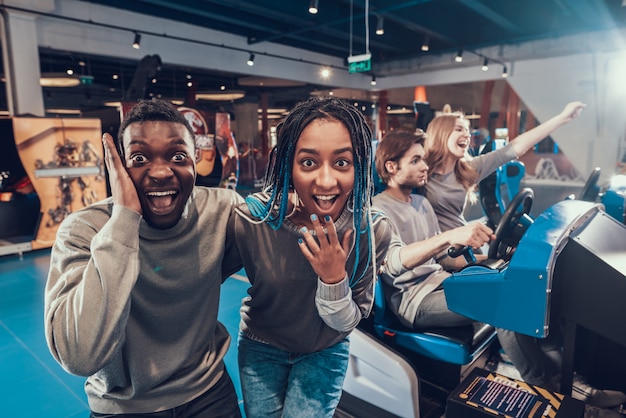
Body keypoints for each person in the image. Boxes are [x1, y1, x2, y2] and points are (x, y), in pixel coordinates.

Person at [373, 129, 626, 409]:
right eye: (416, 161)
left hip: (442, 281)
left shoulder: (420, 202)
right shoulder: (378, 210)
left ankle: (569, 379)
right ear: (391, 166)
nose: (425, 167)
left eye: (424, 159)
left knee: (526, 290)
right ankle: (547, 389)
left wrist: (492, 261)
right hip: (415, 301)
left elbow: (444, 260)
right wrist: (447, 237)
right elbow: (393, 264)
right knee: (502, 305)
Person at [44, 99, 244, 417]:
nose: (162, 171)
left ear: (195, 162)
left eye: (178, 156)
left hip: (208, 394)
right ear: (120, 167)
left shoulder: (221, 211)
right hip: (124, 407)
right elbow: (79, 356)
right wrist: (124, 220)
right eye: (139, 157)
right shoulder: (83, 229)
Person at [229, 97, 414, 418]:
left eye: (342, 162)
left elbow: (351, 319)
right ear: (289, 165)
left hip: (324, 351)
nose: (326, 181)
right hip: (261, 348)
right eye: (309, 163)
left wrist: (333, 280)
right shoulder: (255, 219)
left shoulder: (372, 229)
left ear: (359, 165)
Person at [423, 101, 586, 232]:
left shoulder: (468, 168)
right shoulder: (421, 171)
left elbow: (516, 147)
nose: (467, 135)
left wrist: (562, 118)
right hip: (439, 253)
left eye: (467, 130)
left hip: (464, 244)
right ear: (441, 134)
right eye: (459, 129)